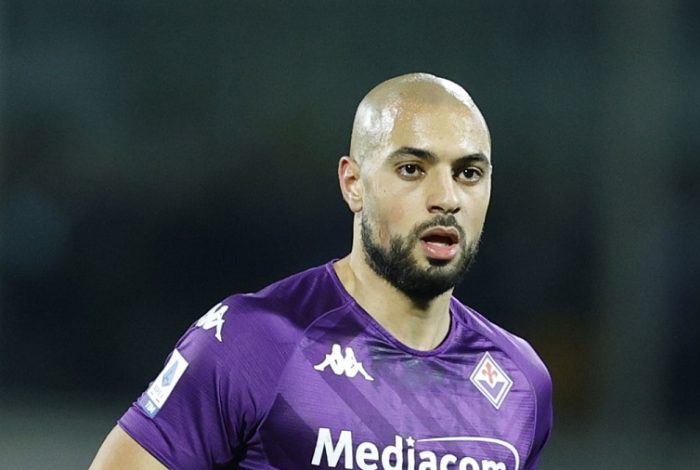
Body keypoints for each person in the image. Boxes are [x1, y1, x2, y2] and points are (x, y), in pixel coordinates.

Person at [90, 73, 553, 470]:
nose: (446, 198)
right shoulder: (256, 342)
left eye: (468, 173)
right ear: (353, 184)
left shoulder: (521, 381)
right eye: (412, 169)